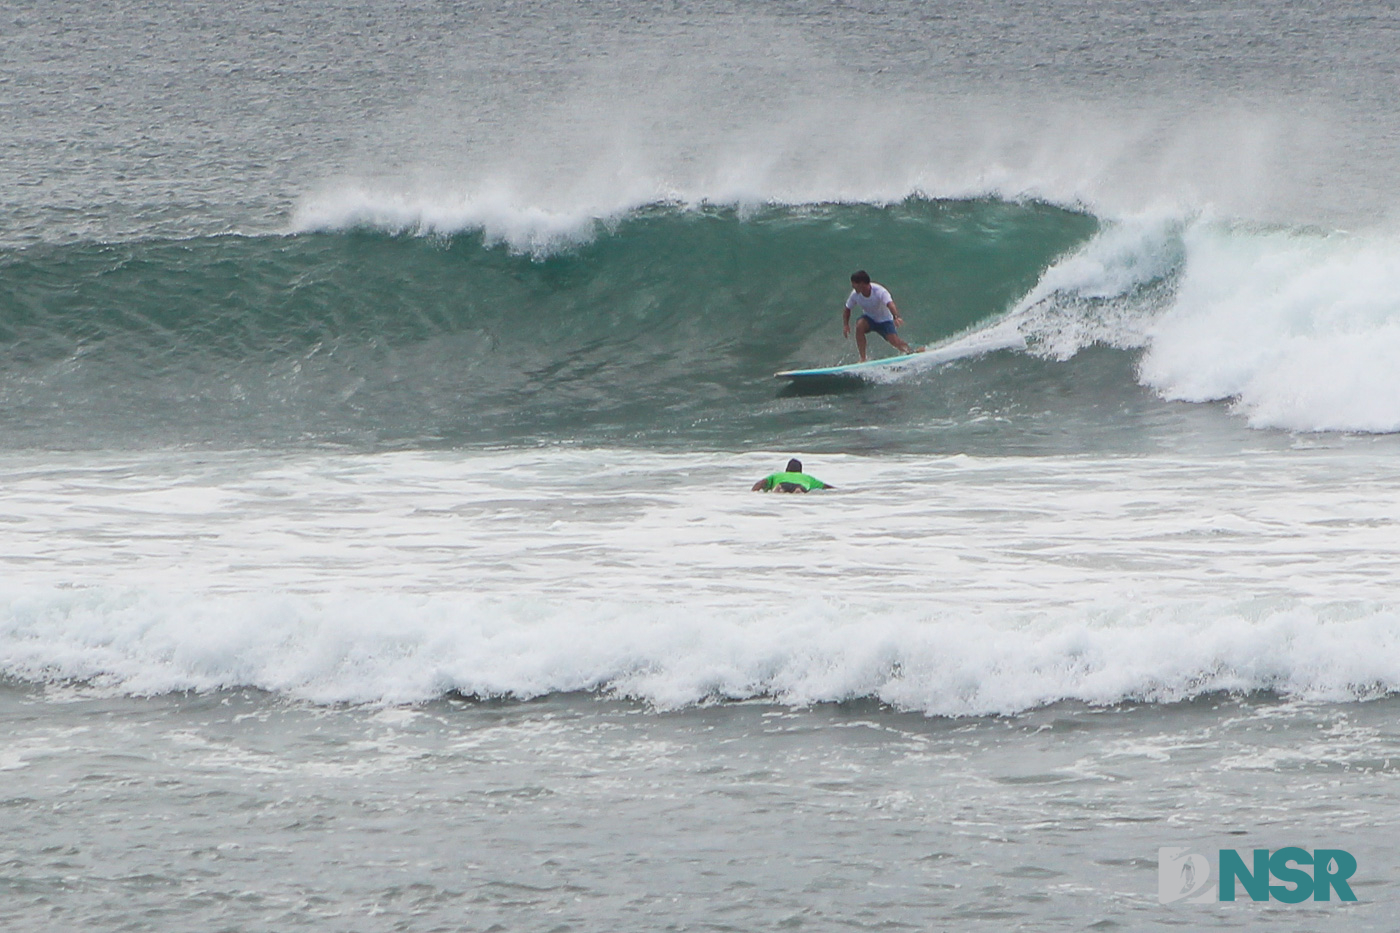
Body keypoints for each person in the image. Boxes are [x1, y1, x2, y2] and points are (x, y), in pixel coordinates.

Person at [842, 270, 913, 361]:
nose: (852, 286)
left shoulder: (879, 291)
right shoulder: (855, 294)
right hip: (869, 319)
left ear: (862, 284)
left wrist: (896, 317)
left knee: (895, 342)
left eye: (854, 284)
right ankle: (863, 358)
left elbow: (890, 304)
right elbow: (847, 309)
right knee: (860, 325)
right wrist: (846, 325)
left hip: (885, 321)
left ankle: (911, 352)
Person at [751, 458, 833, 493]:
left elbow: (762, 482)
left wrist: (753, 492)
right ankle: (798, 490)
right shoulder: (807, 478)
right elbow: (826, 487)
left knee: (780, 490)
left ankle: (780, 488)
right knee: (800, 490)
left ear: (786, 470)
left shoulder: (778, 475)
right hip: (800, 485)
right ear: (800, 471)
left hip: (783, 483)